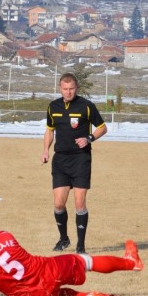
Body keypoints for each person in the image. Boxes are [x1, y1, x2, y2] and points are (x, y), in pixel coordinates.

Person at [0, 214, 143, 296]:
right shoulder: (4, 235)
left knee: (63, 294)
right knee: (84, 261)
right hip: (49, 272)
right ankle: (131, 263)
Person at [41, 72, 107, 254]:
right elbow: (49, 130)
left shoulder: (86, 106)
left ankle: (81, 245)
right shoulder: (53, 106)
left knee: (79, 204)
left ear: (76, 88)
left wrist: (89, 138)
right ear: (60, 88)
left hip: (81, 160)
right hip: (60, 160)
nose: (68, 92)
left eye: (71, 89)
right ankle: (64, 239)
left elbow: (102, 127)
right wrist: (46, 150)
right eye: (65, 89)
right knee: (59, 204)